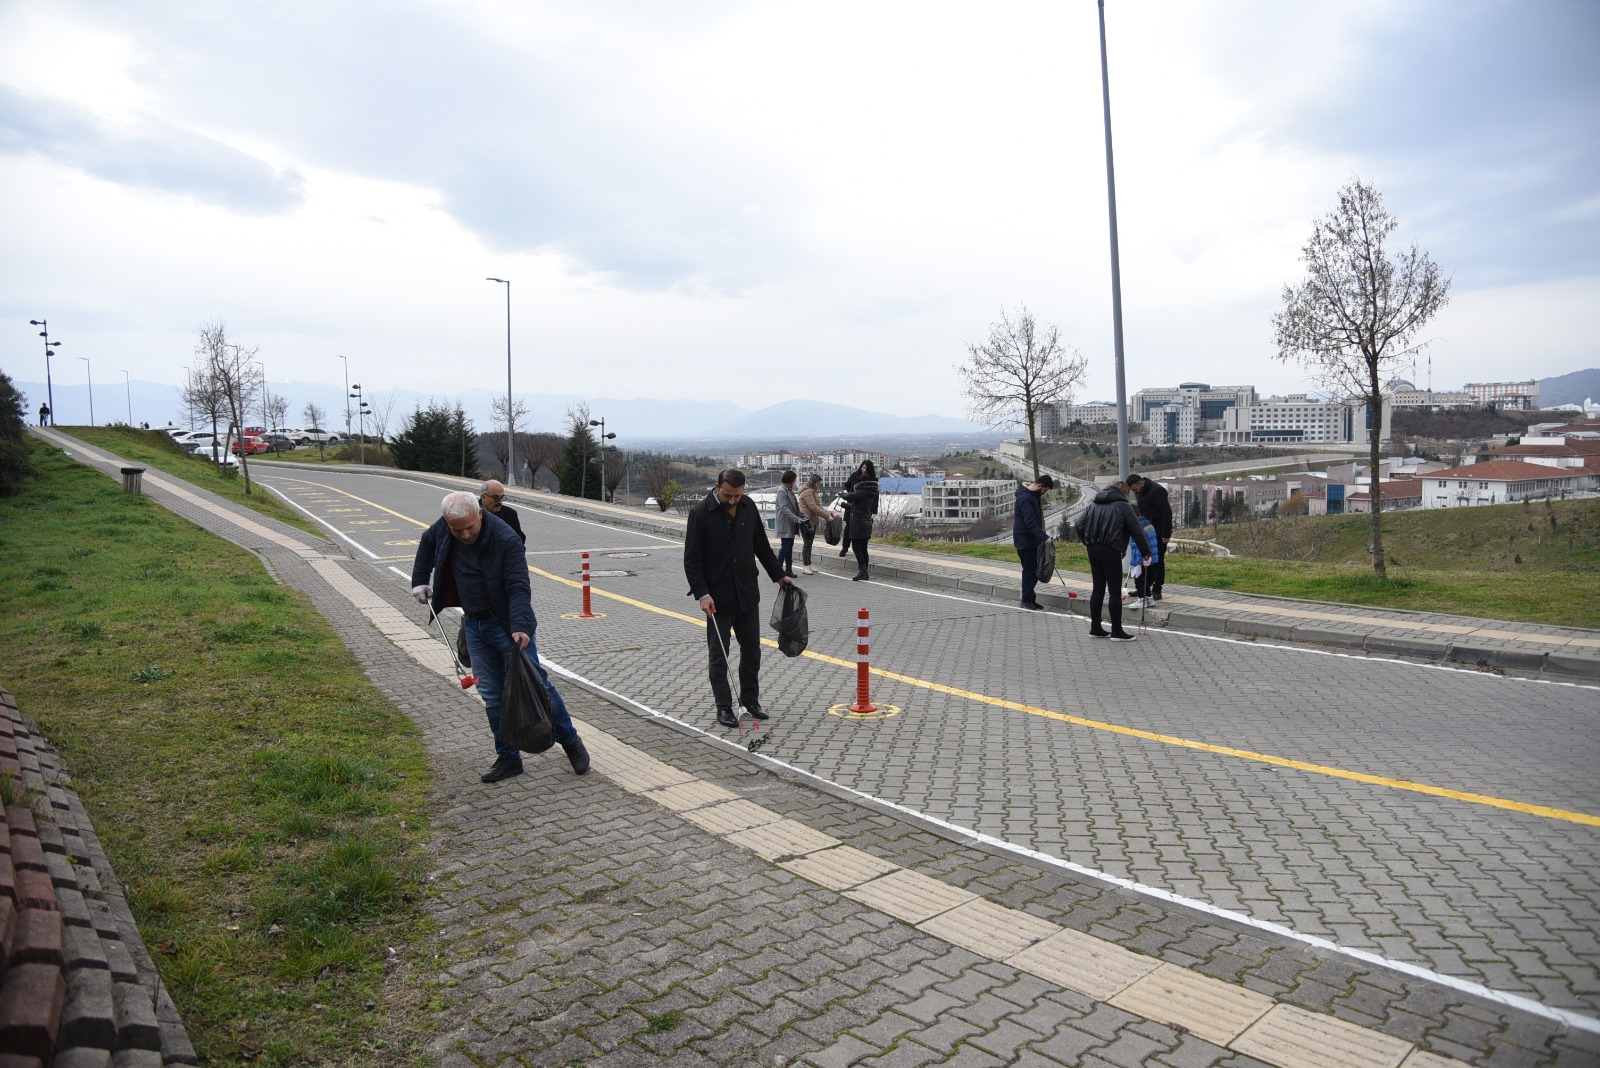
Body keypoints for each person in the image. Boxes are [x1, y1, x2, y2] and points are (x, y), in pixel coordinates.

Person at [411, 491, 588, 782]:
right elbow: (427, 542)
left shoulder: (506, 539)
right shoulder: (445, 526)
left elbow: (518, 586)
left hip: (508, 625)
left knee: (537, 687)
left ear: (480, 513)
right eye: (458, 530)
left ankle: (569, 740)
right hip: (474, 623)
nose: (465, 534)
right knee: (493, 695)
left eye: (470, 527)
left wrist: (519, 626)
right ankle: (508, 757)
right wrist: (419, 579)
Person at [683, 469, 796, 728]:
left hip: (746, 593)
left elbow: (761, 546)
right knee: (719, 655)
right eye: (727, 495)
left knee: (752, 651)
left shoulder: (747, 507)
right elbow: (692, 559)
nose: (733, 500)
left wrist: (779, 575)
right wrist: (702, 593)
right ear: (716, 487)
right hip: (717, 599)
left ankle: (750, 702)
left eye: (737, 495)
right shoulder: (700, 513)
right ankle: (724, 708)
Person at [1074, 480, 1157, 642]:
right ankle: (1117, 631)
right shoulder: (1123, 505)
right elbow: (1137, 530)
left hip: (1093, 549)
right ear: (1123, 492)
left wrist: (1087, 541)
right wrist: (1146, 551)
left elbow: (1078, 524)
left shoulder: (1094, 504)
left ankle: (1095, 628)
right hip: (1111, 550)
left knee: (1097, 589)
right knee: (1114, 591)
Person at [1012, 475, 1055, 609]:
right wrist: (1044, 537)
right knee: (1030, 571)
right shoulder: (1026, 498)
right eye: (1045, 491)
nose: (1044, 493)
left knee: (1035, 570)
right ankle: (1026, 600)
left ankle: (1031, 599)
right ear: (1040, 486)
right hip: (1025, 541)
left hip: (1031, 540)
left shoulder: (1032, 496)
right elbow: (1030, 522)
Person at [1127, 474, 1172, 601]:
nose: (1135, 492)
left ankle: (1157, 590)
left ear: (1141, 483)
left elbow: (1167, 512)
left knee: (1157, 561)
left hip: (1158, 531)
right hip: (1145, 530)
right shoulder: (1140, 492)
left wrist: (1166, 534)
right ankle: (1144, 588)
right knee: (1145, 560)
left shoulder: (1158, 491)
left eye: (1135, 490)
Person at [835, 460, 879, 581]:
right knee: (863, 547)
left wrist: (841, 495)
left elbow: (849, 496)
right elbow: (857, 506)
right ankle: (864, 570)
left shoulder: (861, 492)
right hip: (866, 521)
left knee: (856, 547)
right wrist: (844, 505)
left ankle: (863, 571)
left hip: (858, 522)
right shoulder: (871, 492)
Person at [796, 473, 833, 575]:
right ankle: (805, 566)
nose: (819, 485)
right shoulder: (808, 492)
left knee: (810, 543)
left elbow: (818, 506)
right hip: (806, 521)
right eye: (817, 483)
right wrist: (826, 516)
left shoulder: (813, 491)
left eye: (819, 483)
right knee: (807, 543)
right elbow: (813, 507)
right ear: (813, 483)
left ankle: (809, 564)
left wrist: (828, 514)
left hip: (812, 521)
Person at [774, 470, 802, 578]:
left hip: (790, 522)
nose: (795, 481)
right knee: (786, 546)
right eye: (794, 479)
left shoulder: (788, 490)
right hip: (785, 522)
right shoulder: (782, 490)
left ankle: (788, 570)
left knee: (789, 546)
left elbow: (794, 507)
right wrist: (796, 518)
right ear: (790, 480)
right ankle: (778, 569)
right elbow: (784, 508)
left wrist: (801, 516)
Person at [478, 479, 524, 544]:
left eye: (502, 497)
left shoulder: (510, 514)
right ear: (483, 497)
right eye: (495, 497)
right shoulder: (472, 513)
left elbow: (519, 540)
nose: (500, 501)